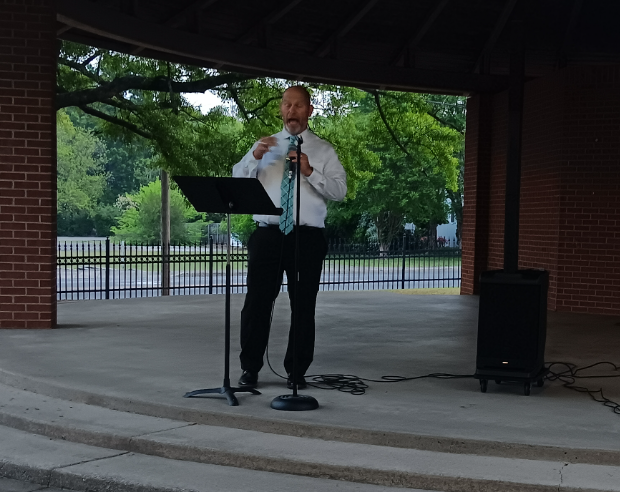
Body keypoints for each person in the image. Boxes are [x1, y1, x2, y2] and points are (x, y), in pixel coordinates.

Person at [232, 86, 347, 389]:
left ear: (309, 110)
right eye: (287, 105)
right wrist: (253, 158)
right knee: (256, 303)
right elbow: (236, 181)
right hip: (267, 235)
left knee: (303, 306)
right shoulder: (265, 145)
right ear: (281, 110)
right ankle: (250, 368)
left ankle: (296, 371)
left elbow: (340, 191)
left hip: (307, 238)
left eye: (298, 106)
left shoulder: (324, 150)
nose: (292, 111)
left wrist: (310, 171)